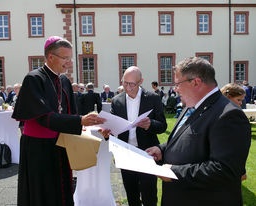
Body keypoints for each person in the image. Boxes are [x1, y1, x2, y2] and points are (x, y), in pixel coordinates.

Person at [12, 36, 105, 206]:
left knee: (62, 191)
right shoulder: (34, 79)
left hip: (62, 144)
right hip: (39, 149)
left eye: (70, 58)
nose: (69, 63)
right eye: (65, 58)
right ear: (50, 57)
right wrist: (80, 121)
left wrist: (91, 127)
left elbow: (72, 114)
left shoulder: (64, 81)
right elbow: (44, 117)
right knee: (43, 193)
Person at [146, 57, 251, 206]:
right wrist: (162, 149)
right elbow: (185, 138)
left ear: (195, 82)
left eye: (177, 84)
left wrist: (175, 172)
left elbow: (225, 170)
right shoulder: (191, 105)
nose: (175, 89)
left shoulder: (229, 115)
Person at [101, 66, 167, 206]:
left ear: (141, 81)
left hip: (147, 152)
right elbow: (114, 126)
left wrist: (151, 124)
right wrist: (108, 133)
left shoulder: (153, 98)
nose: (128, 87)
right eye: (125, 83)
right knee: (132, 195)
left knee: (149, 195)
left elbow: (163, 126)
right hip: (125, 153)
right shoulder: (117, 100)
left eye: (132, 84)